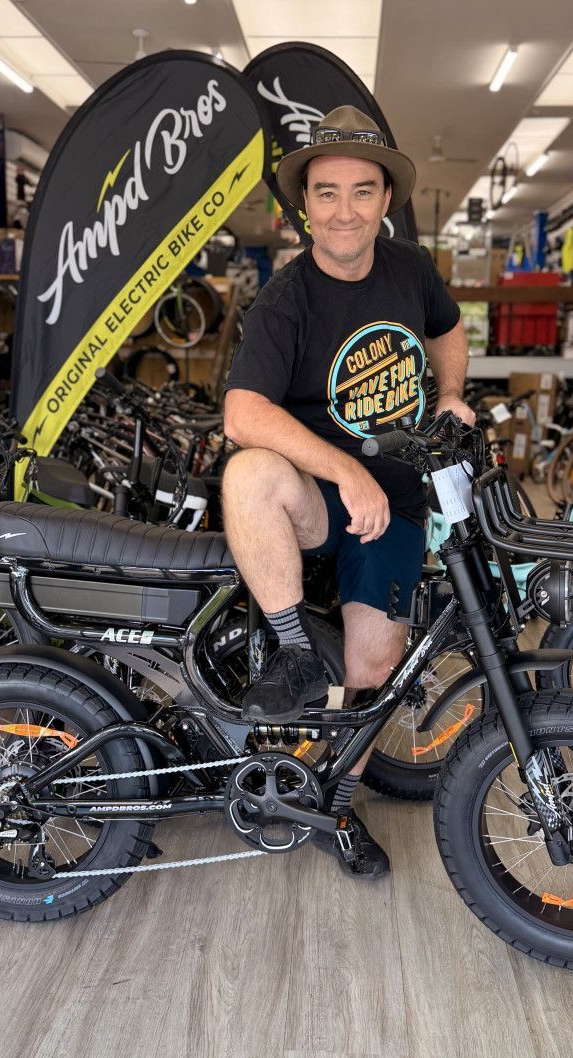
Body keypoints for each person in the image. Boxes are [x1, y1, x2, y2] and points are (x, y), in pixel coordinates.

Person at [222, 105, 474, 879]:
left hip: (396, 502)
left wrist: (452, 394)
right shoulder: (287, 297)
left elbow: (448, 327)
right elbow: (242, 414)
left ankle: (333, 803)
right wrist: (345, 469)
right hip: (320, 498)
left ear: (385, 201)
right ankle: (296, 655)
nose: (344, 211)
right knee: (249, 471)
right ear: (305, 206)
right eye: (327, 194)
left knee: (371, 671)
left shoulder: (410, 269)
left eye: (361, 192)